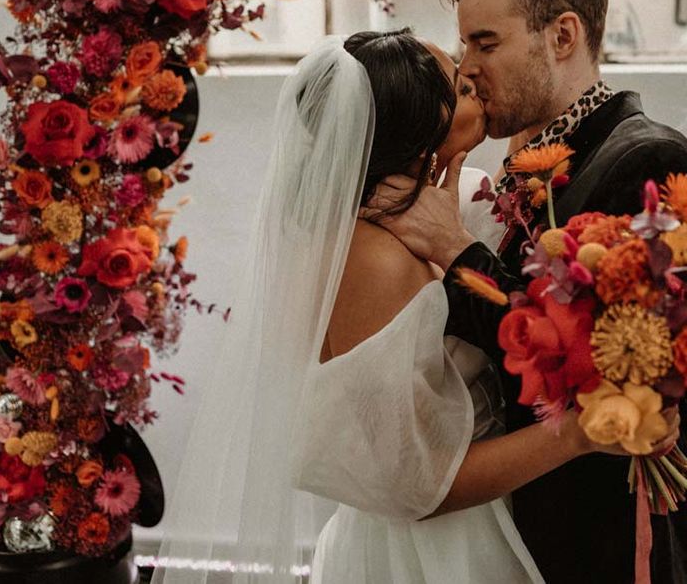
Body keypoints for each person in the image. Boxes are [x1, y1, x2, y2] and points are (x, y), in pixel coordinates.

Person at [152, 30, 677, 584]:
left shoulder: (456, 201)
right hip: (432, 553)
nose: (473, 79)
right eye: (458, 82)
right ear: (421, 128)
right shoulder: (372, 258)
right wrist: (579, 434)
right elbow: (416, 484)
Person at [369, 0, 687, 583]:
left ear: (563, 36)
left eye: (487, 42)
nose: (468, 68)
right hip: (513, 530)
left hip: (609, 537)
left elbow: (605, 368)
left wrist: (455, 251)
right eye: (464, 46)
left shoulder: (650, 158)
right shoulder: (514, 174)